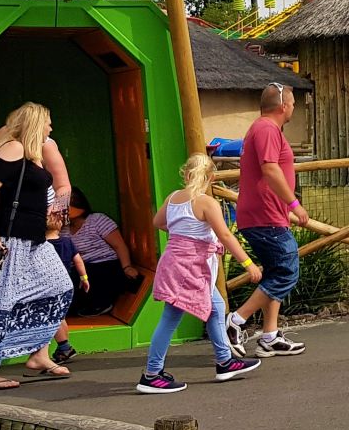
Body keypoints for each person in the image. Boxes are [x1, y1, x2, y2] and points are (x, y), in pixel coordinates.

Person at [137, 154, 265, 394]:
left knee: (216, 306)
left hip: (174, 262)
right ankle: (151, 374)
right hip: (190, 268)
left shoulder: (173, 198)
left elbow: (158, 222)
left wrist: (182, 232)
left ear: (185, 174)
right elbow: (225, 235)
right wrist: (248, 263)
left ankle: (224, 361)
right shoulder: (206, 203)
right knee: (171, 317)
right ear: (211, 177)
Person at [0, 104, 74, 390]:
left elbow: (56, 187)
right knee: (0, 301)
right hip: (9, 239)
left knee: (59, 287)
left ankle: (39, 353)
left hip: (34, 239)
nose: (51, 129)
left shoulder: (33, 154)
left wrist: (56, 208)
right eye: (48, 123)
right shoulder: (13, 148)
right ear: (35, 124)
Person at [226, 82, 315, 357]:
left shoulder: (265, 128)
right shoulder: (266, 129)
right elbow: (270, 169)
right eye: (292, 104)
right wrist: (294, 204)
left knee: (277, 271)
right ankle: (236, 321)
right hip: (265, 215)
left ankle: (270, 334)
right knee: (288, 271)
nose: (293, 109)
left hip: (267, 213)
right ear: (283, 106)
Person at [64, 188, 144, 315]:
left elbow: (119, 246)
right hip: (80, 268)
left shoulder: (96, 220)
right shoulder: (64, 230)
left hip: (105, 265)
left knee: (91, 276)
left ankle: (101, 304)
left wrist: (127, 267)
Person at [45, 208, 88, 364]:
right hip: (66, 283)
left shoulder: (42, 245)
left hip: (49, 285)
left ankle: (64, 347)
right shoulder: (67, 241)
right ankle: (63, 347)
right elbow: (78, 261)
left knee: (53, 317)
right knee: (61, 316)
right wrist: (84, 278)